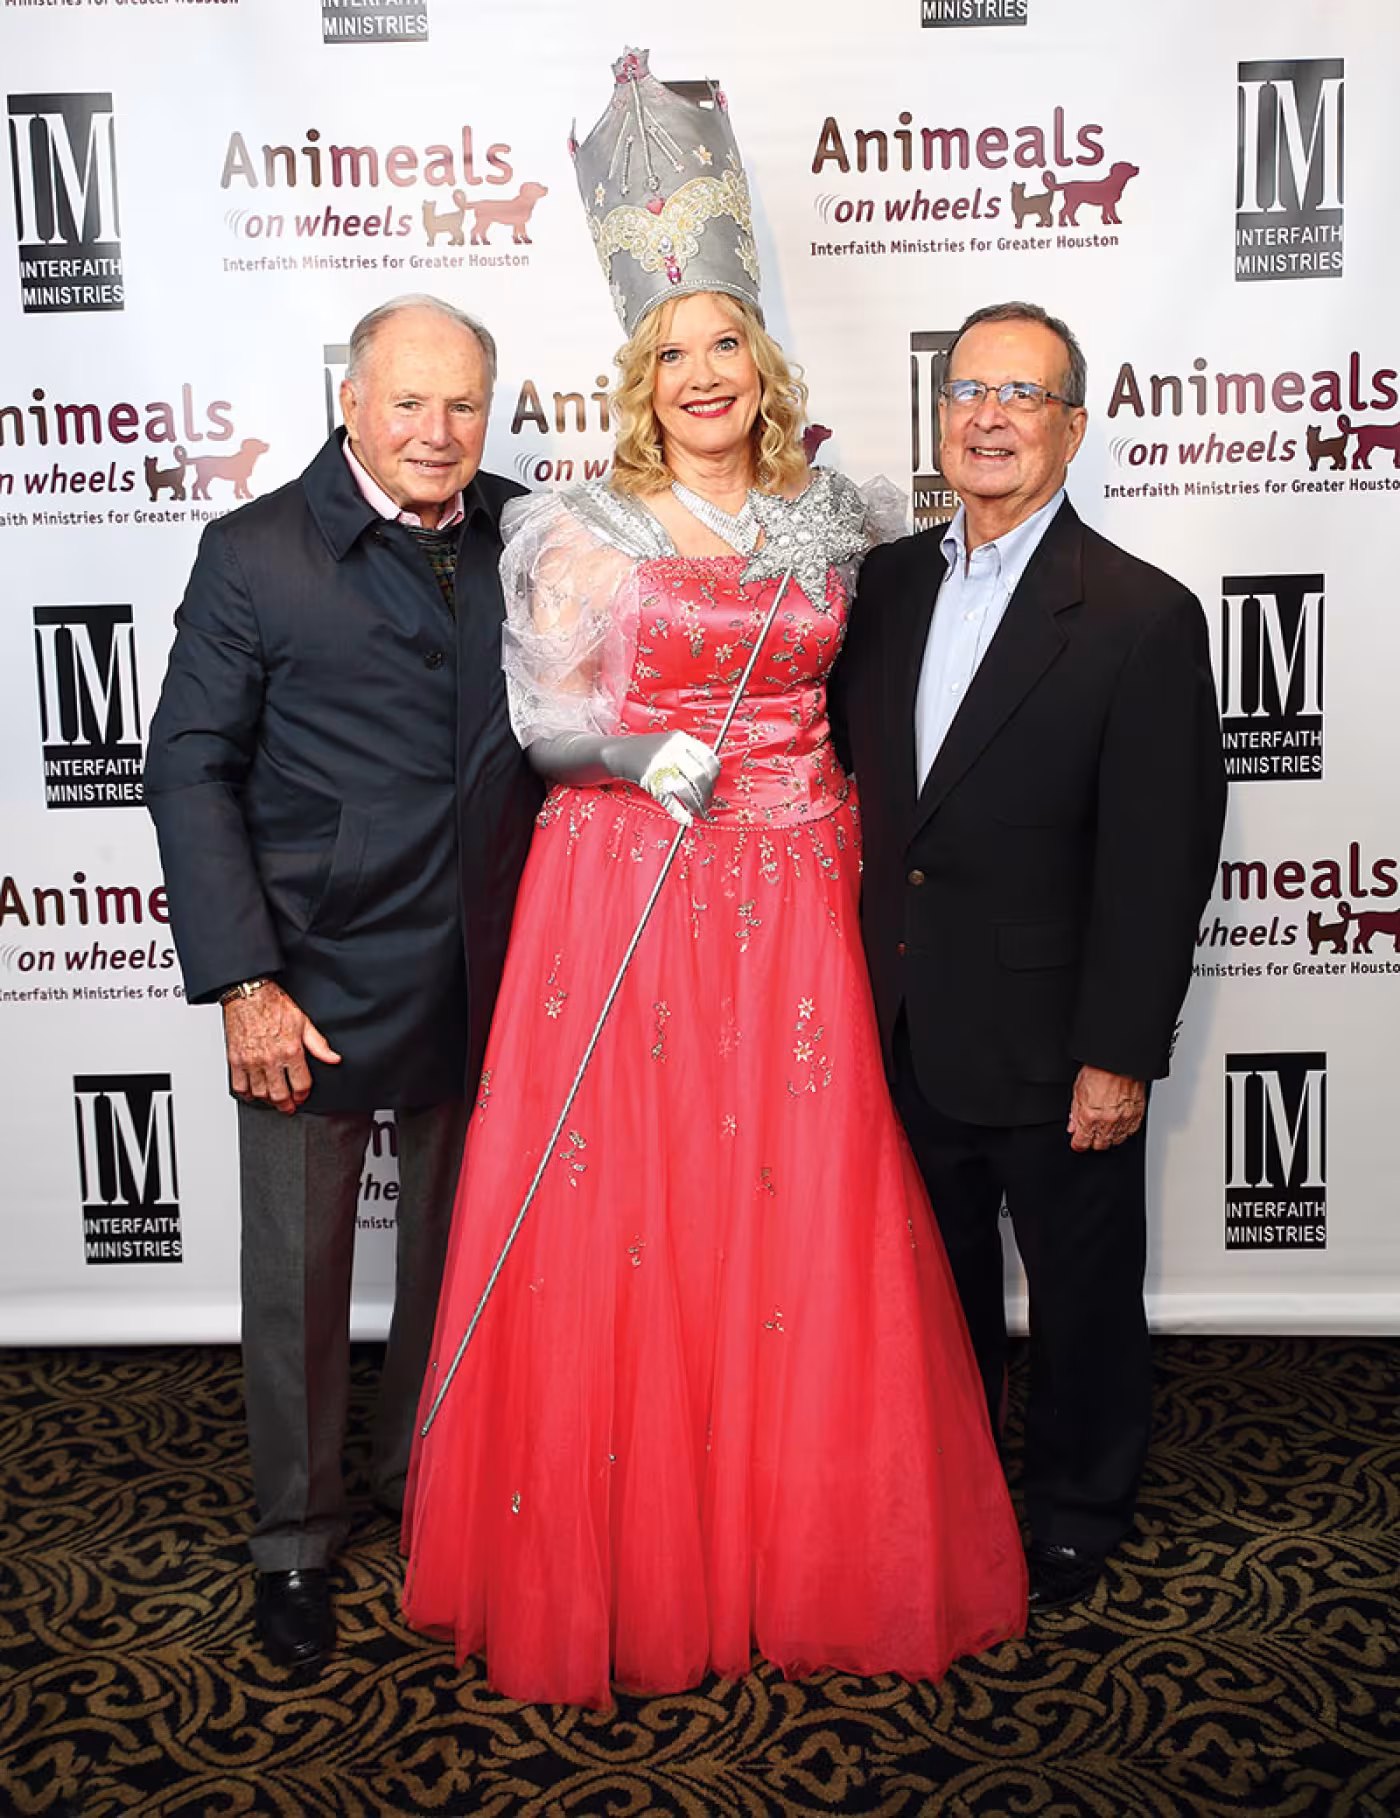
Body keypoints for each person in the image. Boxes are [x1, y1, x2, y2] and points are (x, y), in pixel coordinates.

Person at [401, 50, 1026, 1709]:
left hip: (803, 891)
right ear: (641, 372)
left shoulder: (844, 516)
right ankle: (639, 1554)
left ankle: (795, 1548)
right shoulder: (580, 525)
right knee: (640, 1222)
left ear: (763, 360)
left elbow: (896, 690)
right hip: (631, 885)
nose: (702, 375)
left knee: (800, 1220)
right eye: (672, 351)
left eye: (724, 344)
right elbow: (541, 724)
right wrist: (631, 751)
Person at [144, 295, 541, 1675]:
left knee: (455, 1268)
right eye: (408, 401)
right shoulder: (254, 552)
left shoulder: (525, 531)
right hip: (307, 983)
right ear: (350, 403)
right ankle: (298, 1540)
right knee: (299, 1284)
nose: (437, 431)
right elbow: (189, 767)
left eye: (463, 404)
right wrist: (243, 982)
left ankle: (425, 1490)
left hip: (482, 973)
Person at [830, 301, 1227, 1612]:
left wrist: (1120, 1053)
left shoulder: (1140, 616)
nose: (989, 417)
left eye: (1022, 395)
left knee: (1082, 1296)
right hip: (903, 1025)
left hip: (1060, 1044)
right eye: (968, 391)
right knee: (930, 1300)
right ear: (939, 415)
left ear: (1072, 426)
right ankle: (951, 1494)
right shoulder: (884, 587)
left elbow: (1160, 861)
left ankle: (1077, 1508)